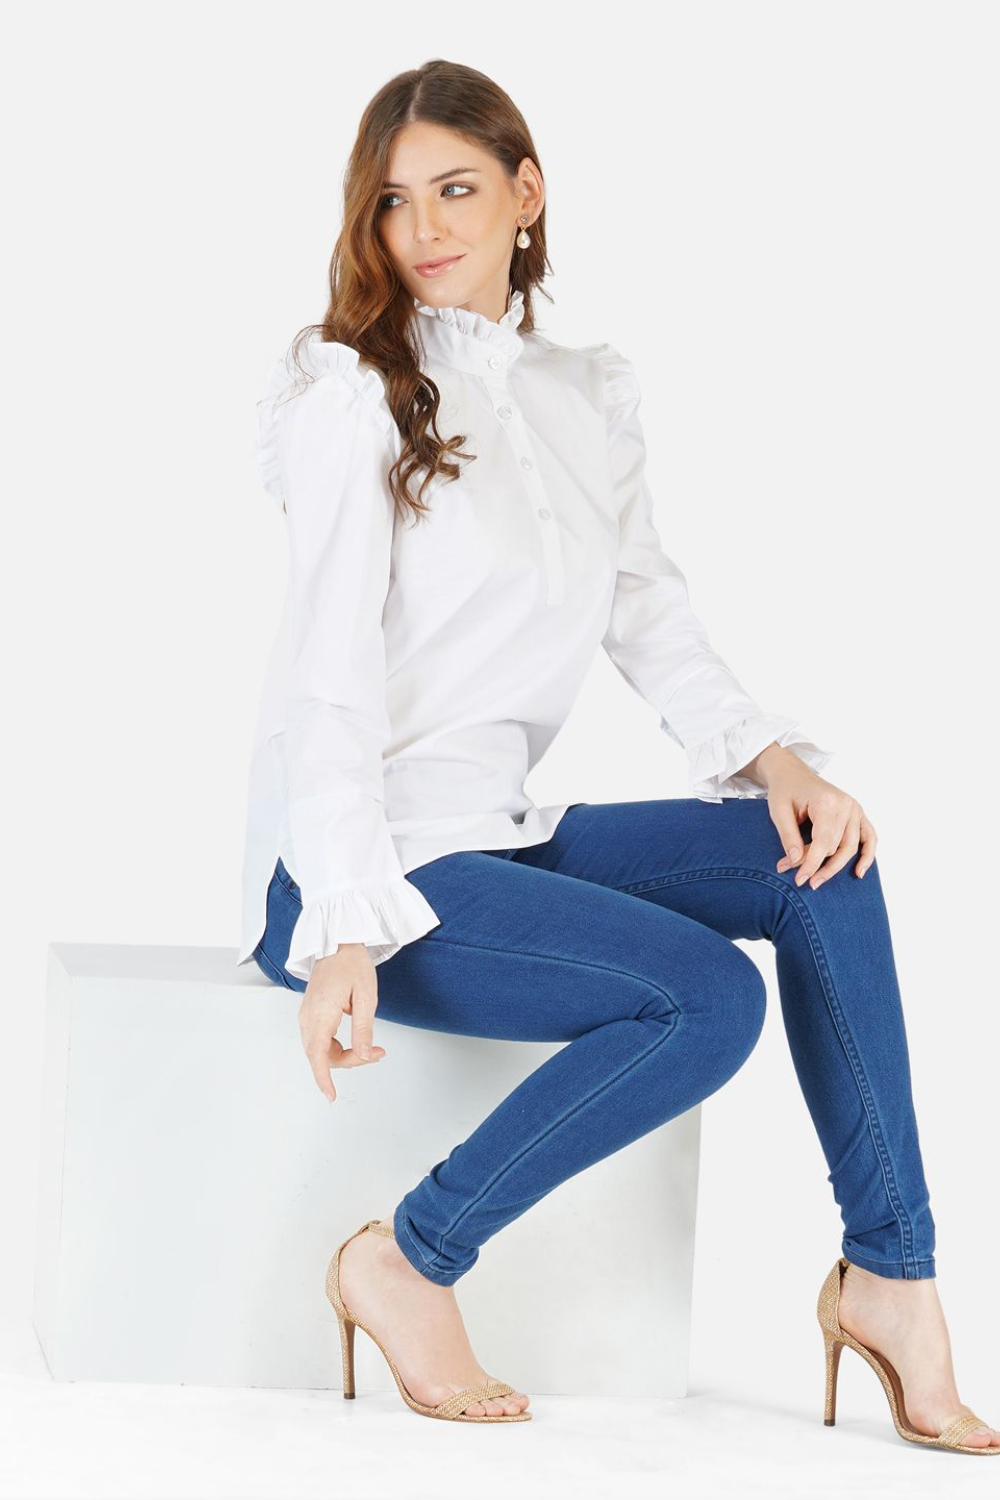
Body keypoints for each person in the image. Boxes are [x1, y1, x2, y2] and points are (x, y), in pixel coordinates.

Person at [235, 59, 998, 1443]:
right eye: (394, 201)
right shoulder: (354, 399)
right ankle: (408, 1257)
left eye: (457, 189)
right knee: (703, 1000)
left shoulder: (582, 393)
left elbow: (646, 606)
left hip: (502, 833)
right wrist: (342, 923)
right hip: (372, 865)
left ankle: (892, 1275)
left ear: (526, 193)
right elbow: (326, 683)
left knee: (819, 861)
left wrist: (775, 764)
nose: (425, 228)